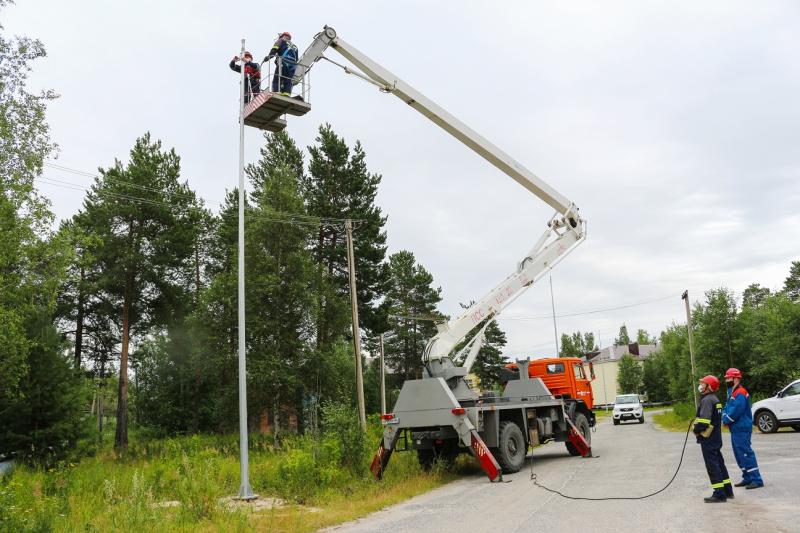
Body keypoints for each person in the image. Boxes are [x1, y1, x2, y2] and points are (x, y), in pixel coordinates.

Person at [694, 375, 734, 503]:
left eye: (703, 383)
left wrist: (696, 429)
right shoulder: (715, 399)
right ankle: (728, 491)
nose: (701, 385)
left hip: (708, 439)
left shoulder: (707, 400)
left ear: (709, 387)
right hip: (716, 438)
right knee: (720, 464)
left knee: (713, 466)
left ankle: (719, 494)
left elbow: (704, 422)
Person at [722, 368, 764, 489]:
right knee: (739, 454)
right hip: (735, 428)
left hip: (742, 428)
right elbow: (726, 407)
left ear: (736, 379)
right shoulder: (731, 392)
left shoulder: (740, 392)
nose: (726, 380)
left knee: (746, 453)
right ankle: (747, 477)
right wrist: (724, 418)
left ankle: (756, 479)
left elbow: (736, 410)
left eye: (728, 378)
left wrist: (726, 420)